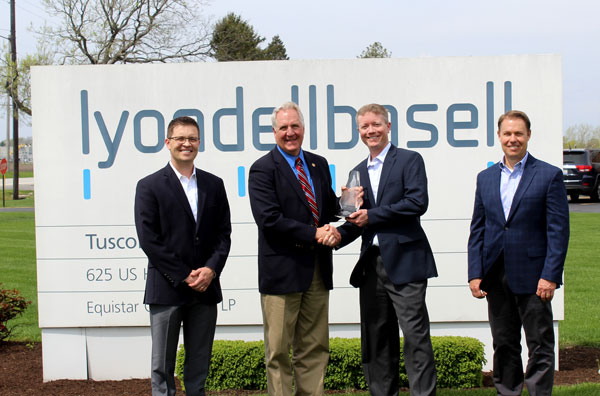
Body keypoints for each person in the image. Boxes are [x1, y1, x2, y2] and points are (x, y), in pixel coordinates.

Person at [337, 103, 438, 396]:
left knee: (416, 338)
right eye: (365, 127)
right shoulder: (357, 171)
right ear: (359, 131)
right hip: (371, 267)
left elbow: (417, 202)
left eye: (376, 124)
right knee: (377, 339)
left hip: (406, 261)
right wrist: (334, 236)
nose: (371, 131)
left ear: (388, 126)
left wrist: (373, 215)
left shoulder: (409, 160)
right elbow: (355, 220)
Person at [468, 110, 569, 396]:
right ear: (499, 136)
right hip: (495, 276)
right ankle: (507, 392)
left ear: (528, 136)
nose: (513, 139)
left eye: (518, 134)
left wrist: (550, 275)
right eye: (507, 134)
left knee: (539, 344)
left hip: (534, 277)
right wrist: (475, 273)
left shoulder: (549, 175)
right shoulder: (486, 178)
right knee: (504, 343)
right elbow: (478, 228)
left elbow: (558, 232)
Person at [248, 101, 341, 396]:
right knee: (278, 352)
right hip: (282, 271)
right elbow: (269, 219)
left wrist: (349, 204)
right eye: (284, 128)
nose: (290, 133)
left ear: (303, 129)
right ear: (274, 132)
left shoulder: (318, 163)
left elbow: (327, 208)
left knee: (314, 347)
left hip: (317, 269)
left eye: (295, 126)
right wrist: (315, 233)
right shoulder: (263, 169)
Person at [134, 116, 232, 396]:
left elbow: (223, 234)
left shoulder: (214, 184)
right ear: (168, 143)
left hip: (205, 288)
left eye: (192, 138)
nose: (186, 143)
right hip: (167, 288)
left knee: (198, 366)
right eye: (180, 138)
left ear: (199, 143)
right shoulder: (149, 185)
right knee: (162, 368)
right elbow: (149, 239)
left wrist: (210, 270)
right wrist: (183, 274)